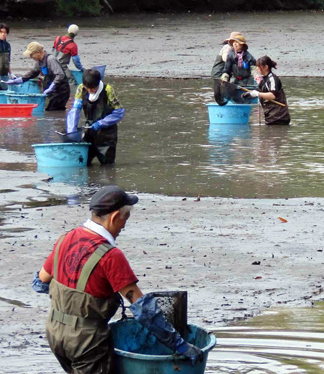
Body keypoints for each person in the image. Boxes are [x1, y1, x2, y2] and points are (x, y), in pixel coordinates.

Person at [32, 186, 203, 372]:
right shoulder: (110, 256)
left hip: (55, 333)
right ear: (114, 217)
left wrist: (73, 298)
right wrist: (179, 345)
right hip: (86, 341)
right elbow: (144, 310)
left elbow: (40, 283)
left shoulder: (66, 238)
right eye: (125, 219)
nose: (124, 226)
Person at [66, 68, 125, 165]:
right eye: (87, 88)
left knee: (107, 165)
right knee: (85, 161)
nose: (90, 91)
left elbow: (119, 112)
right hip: (89, 130)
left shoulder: (108, 90)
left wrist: (102, 123)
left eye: (93, 88)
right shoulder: (81, 89)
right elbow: (75, 110)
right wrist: (71, 130)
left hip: (107, 133)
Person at [5, 41, 70, 111]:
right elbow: (33, 73)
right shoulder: (39, 61)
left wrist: (51, 87)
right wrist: (19, 80)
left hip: (61, 91)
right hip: (52, 91)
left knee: (51, 111)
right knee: (54, 110)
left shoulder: (51, 59)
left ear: (38, 52)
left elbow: (60, 75)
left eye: (31, 54)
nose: (30, 57)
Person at [248, 56, 291, 125]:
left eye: (259, 66)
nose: (257, 68)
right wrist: (249, 94)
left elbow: (272, 95)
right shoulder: (263, 80)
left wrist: (258, 94)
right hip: (270, 117)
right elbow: (259, 90)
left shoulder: (273, 79)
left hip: (279, 117)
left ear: (266, 67)